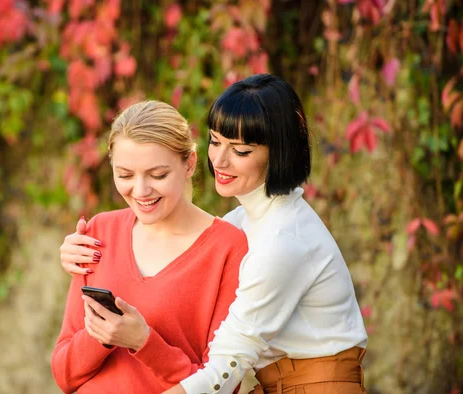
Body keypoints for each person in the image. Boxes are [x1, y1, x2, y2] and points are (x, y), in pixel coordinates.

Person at [59, 74, 368, 394]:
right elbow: (195, 241)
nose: (219, 160)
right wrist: (72, 251)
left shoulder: (282, 239)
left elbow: (227, 364)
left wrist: (143, 342)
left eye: (241, 151)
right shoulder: (243, 223)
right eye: (216, 141)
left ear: (278, 152)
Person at [51, 100, 249, 393]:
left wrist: (143, 341)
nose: (141, 191)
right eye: (125, 175)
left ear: (189, 164)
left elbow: (223, 384)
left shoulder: (227, 249)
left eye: (158, 175)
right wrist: (102, 336)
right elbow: (64, 374)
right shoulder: (98, 233)